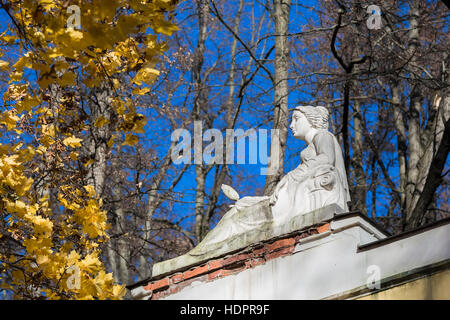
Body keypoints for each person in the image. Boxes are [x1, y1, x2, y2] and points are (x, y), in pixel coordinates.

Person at [188, 105, 350, 257]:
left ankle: (204, 252)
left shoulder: (323, 135)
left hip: (295, 203)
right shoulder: (309, 153)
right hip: (292, 199)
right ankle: (204, 250)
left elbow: (326, 158)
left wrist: (289, 177)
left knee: (238, 218)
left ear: (311, 120)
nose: (292, 125)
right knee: (241, 207)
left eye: (296, 118)